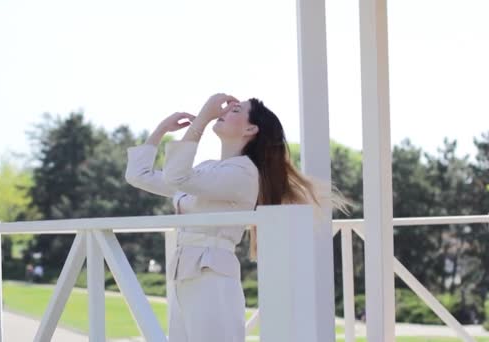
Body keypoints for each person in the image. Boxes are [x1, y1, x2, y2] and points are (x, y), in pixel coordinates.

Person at [125, 93, 349, 341]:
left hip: (211, 277)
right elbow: (139, 175)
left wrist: (201, 120)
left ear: (251, 128)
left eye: (235, 110)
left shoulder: (244, 173)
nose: (223, 112)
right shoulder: (208, 169)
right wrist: (161, 130)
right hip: (184, 275)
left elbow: (176, 176)